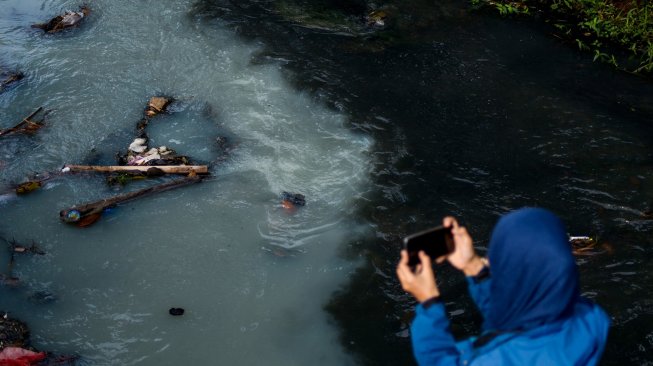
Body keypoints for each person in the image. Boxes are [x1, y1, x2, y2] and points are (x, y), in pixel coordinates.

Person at [396, 207, 610, 365]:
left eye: (497, 259)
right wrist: (474, 268)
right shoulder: (589, 318)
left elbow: (438, 360)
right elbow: (514, 314)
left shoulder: (497, 360)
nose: (488, 260)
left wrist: (429, 304)